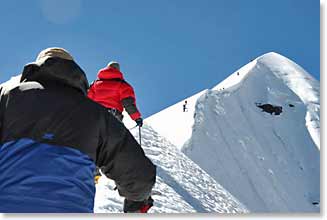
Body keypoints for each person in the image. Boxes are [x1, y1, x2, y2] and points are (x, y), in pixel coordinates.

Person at [0, 48, 156, 213]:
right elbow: (139, 176)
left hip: (8, 209)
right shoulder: (104, 106)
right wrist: (137, 201)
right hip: (72, 209)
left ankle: (94, 169)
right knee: (95, 144)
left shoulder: (8, 98)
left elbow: (92, 95)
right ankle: (93, 171)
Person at [87, 61, 143, 127]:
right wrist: (137, 118)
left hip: (95, 114)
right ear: (118, 70)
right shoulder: (123, 85)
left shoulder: (94, 84)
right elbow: (128, 103)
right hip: (113, 115)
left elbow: (87, 100)